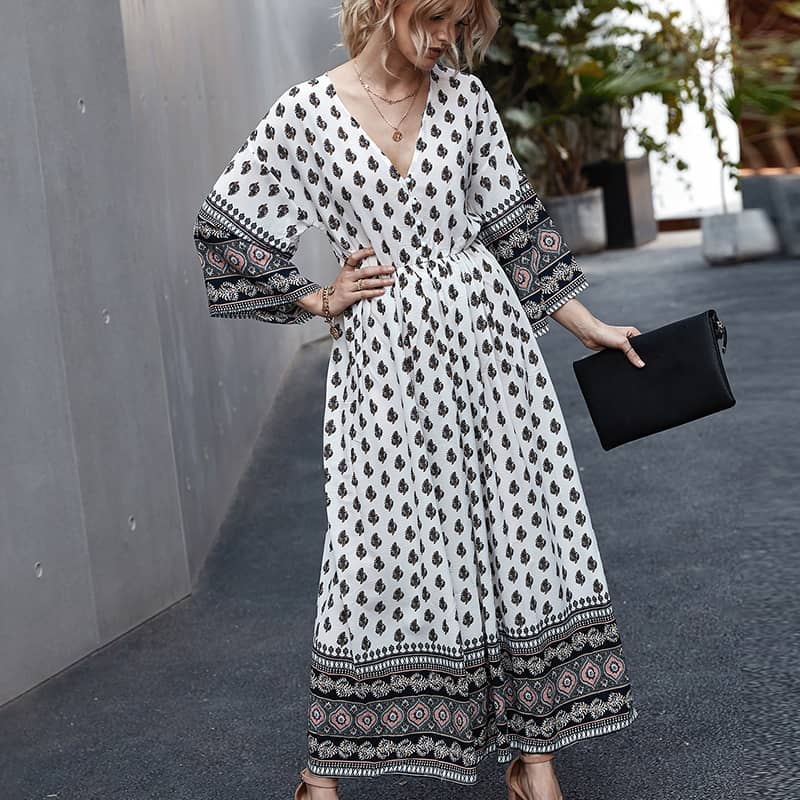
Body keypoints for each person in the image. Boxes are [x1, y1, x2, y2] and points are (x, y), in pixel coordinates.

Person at [193, 1, 644, 798]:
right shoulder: (307, 113)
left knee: (514, 537)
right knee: (372, 551)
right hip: (385, 368)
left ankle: (535, 760)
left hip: (489, 349)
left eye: (460, 23)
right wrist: (318, 298)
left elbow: (514, 226)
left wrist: (588, 326)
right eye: (434, 17)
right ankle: (322, 770)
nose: (446, 39)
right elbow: (226, 228)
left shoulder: (465, 99)